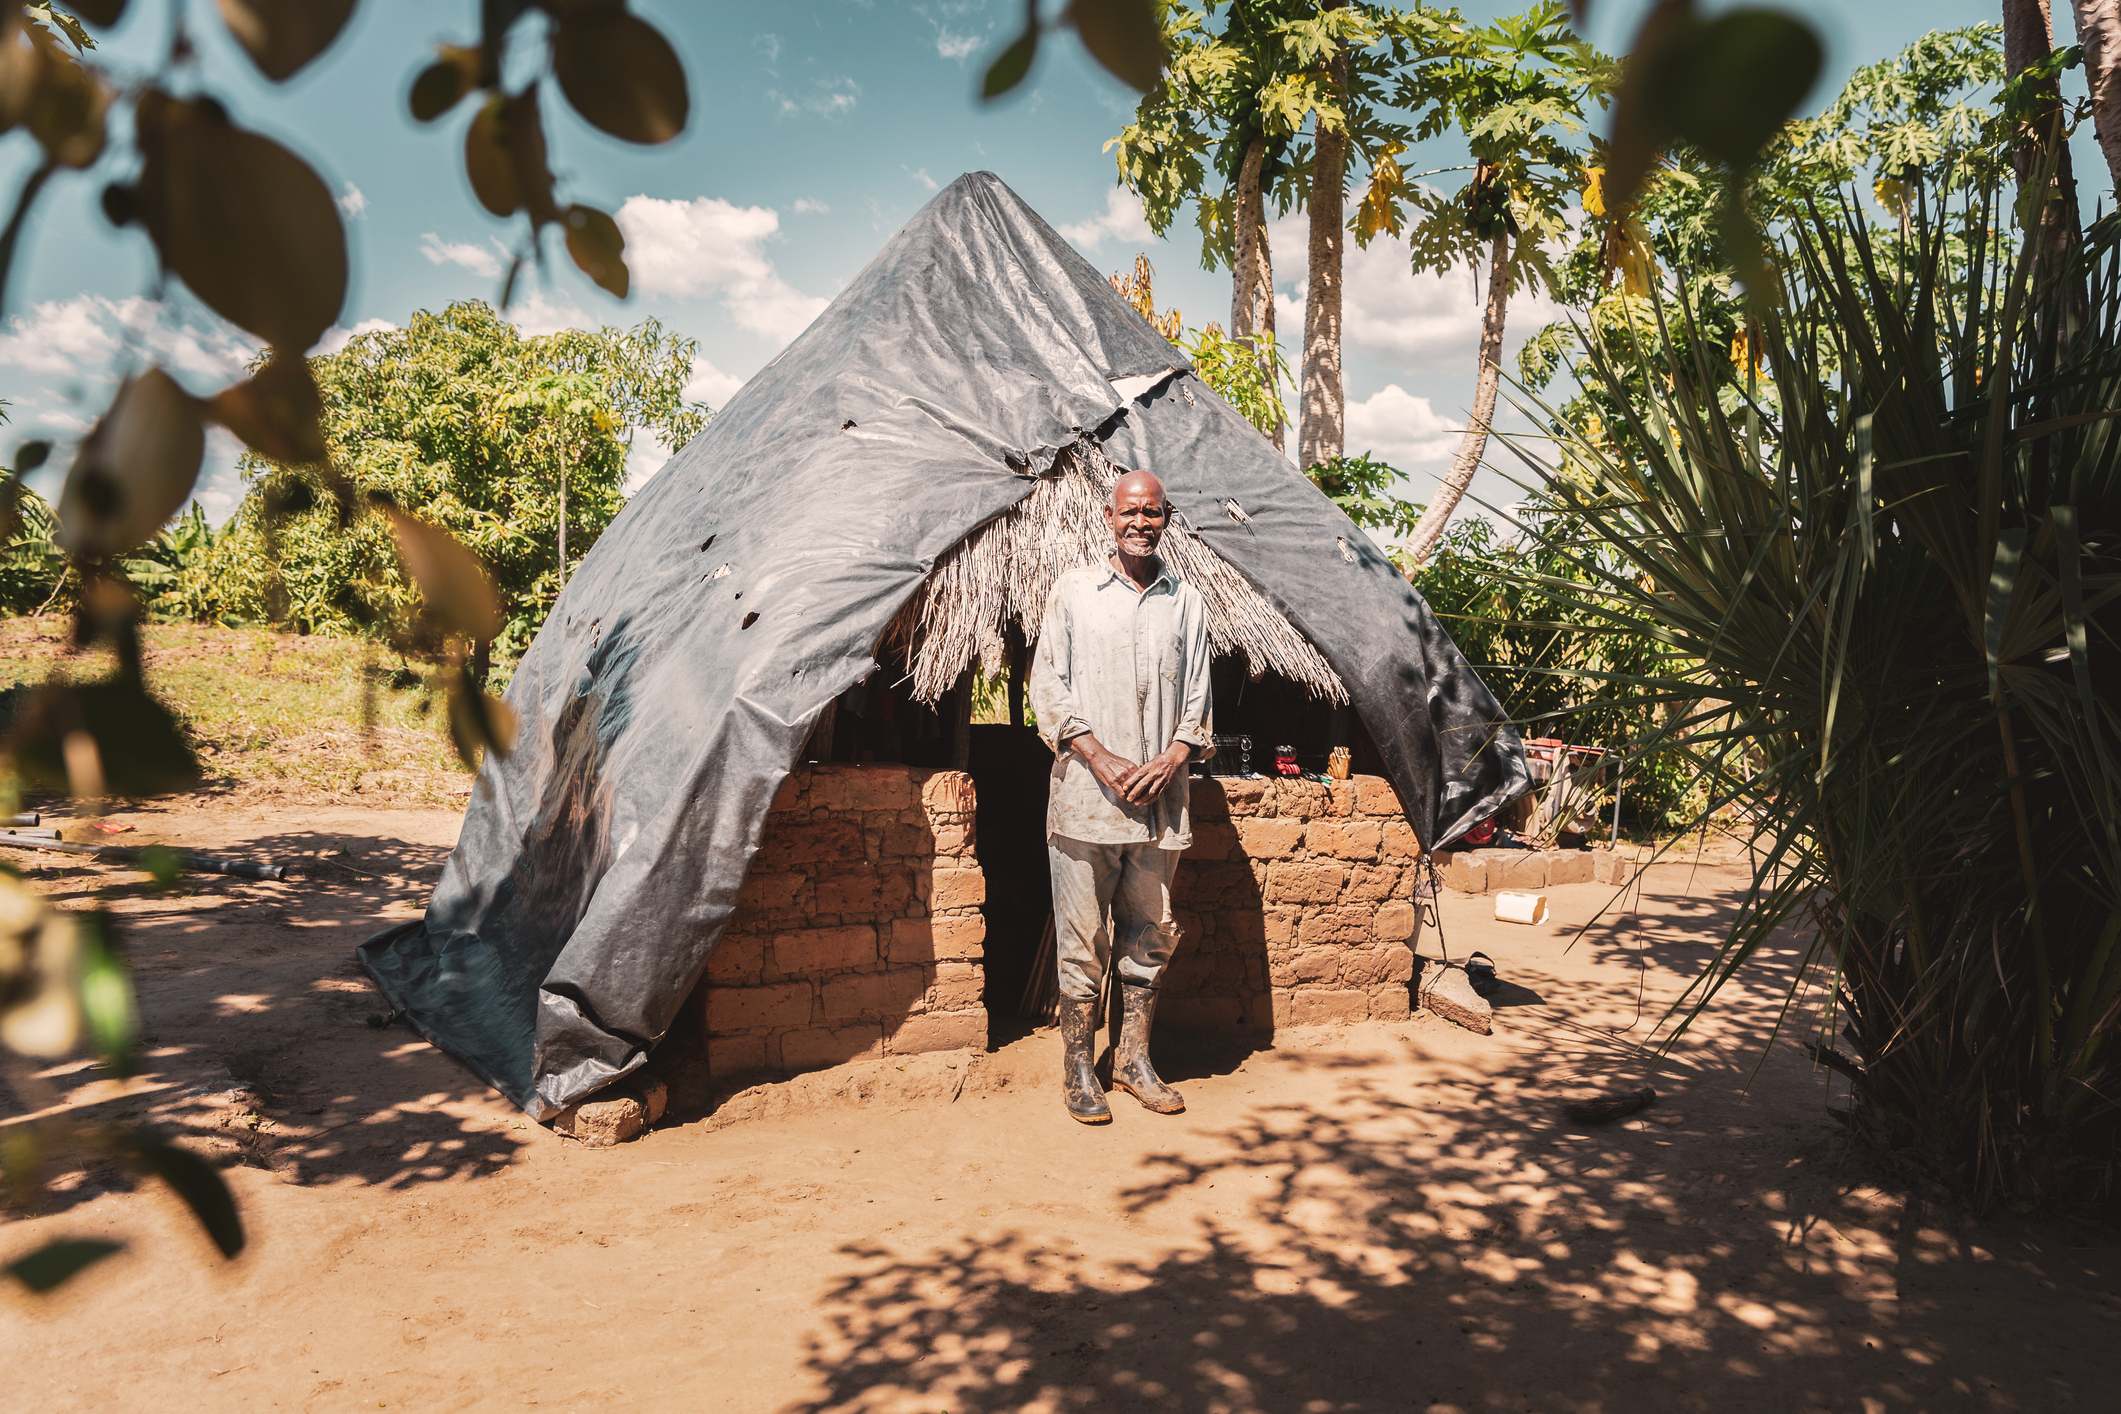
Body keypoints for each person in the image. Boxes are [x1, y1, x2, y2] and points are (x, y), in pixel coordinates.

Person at [1029, 469, 1212, 1125]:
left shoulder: (1184, 601)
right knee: (1083, 943)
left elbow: (1197, 698)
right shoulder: (1075, 592)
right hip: (1084, 800)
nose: (1140, 522)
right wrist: (1099, 757)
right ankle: (1079, 1069)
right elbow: (1047, 686)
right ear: (1109, 517)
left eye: (1153, 512)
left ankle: (1132, 1060)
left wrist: (1172, 757)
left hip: (1159, 806)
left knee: (1151, 936)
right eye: (1129, 512)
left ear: (1167, 518)